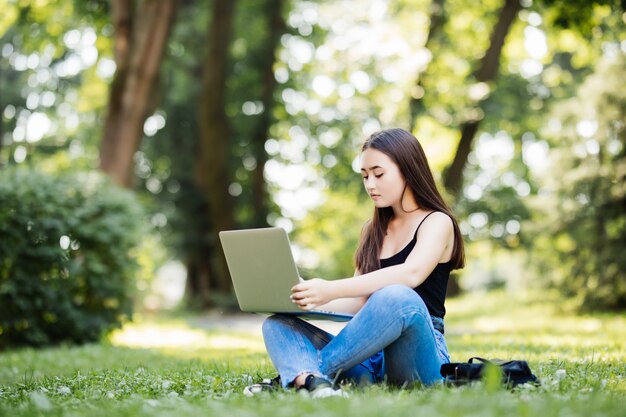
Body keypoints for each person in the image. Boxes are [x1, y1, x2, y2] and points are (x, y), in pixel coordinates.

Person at [254, 128, 465, 397]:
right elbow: (358, 302)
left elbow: (411, 274)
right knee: (277, 324)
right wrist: (307, 296)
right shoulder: (372, 230)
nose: (370, 185)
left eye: (379, 174)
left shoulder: (437, 221)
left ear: (408, 170)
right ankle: (316, 384)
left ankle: (304, 376)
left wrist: (330, 288)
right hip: (371, 356)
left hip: (418, 357)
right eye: (365, 176)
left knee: (398, 295)